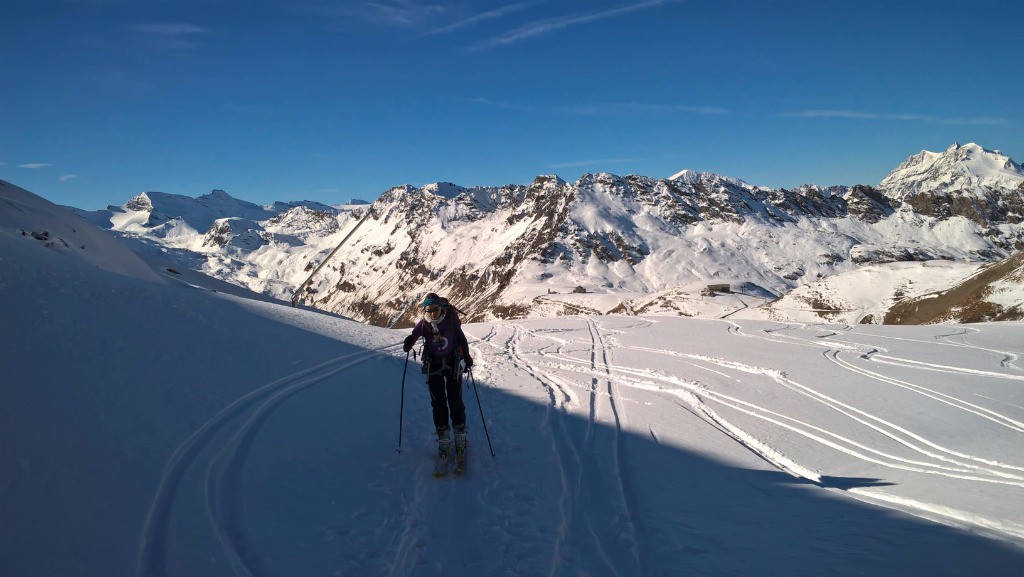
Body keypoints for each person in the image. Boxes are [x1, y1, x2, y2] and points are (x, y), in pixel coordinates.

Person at [403, 293, 474, 462]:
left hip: (451, 363)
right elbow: (414, 335)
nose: (433, 313)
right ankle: (445, 436)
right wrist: (409, 342)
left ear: (441, 308)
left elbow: (461, 339)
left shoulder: (450, 320)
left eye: (435, 309)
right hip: (435, 365)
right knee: (439, 402)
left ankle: (458, 435)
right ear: (425, 310)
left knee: (454, 400)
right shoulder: (424, 324)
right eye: (429, 310)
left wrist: (466, 356)